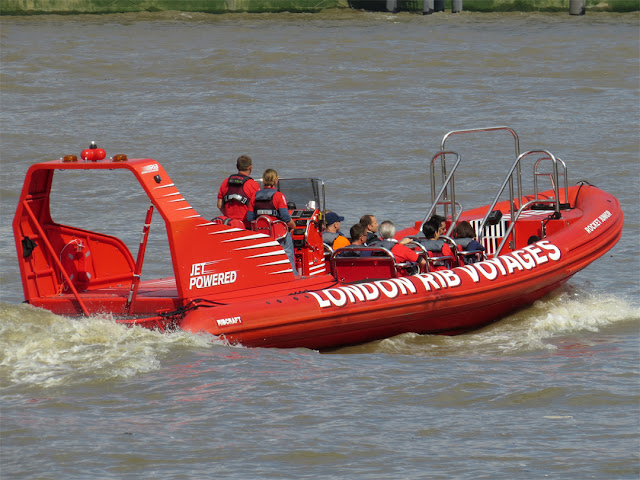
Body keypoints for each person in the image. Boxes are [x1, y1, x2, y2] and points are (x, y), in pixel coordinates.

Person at [246, 169, 298, 274]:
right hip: (279, 236)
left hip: (261, 236)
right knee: (288, 256)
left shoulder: (254, 196)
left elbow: (249, 218)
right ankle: (293, 276)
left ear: (263, 181)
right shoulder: (279, 196)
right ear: (276, 180)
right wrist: (293, 226)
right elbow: (285, 217)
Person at [217, 155, 260, 229]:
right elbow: (258, 206)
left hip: (229, 225)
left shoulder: (226, 182)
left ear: (237, 166)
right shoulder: (253, 185)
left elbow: (219, 205)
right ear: (250, 167)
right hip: (246, 227)